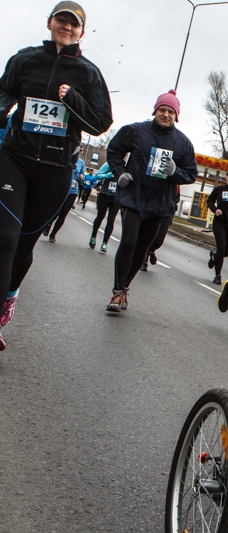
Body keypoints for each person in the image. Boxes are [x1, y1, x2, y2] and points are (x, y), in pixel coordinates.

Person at [0, 2, 113, 351]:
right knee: (4, 237)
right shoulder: (25, 59)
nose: (66, 27)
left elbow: (100, 122)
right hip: (15, 158)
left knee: (24, 243)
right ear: (50, 23)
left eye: (73, 24)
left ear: (82, 31)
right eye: (61, 20)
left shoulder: (88, 73)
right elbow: (3, 90)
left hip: (56, 168)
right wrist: (5, 108)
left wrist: (73, 99)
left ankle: (9, 295)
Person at [104, 90, 196, 312]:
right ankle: (117, 292)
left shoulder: (182, 143)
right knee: (128, 242)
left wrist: (175, 172)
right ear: (155, 111)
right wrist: (120, 173)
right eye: (162, 110)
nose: (165, 115)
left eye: (170, 111)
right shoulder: (135, 131)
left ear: (176, 115)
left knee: (142, 248)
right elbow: (114, 151)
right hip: (134, 197)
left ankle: (125, 287)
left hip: (159, 202)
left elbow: (191, 174)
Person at [206, 169, 228, 284]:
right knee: (221, 247)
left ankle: (214, 256)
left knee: (226, 251)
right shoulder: (219, 189)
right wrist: (215, 210)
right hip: (219, 222)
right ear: (226, 177)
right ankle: (218, 276)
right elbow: (210, 201)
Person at [46, 158, 83, 242]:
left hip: (73, 191)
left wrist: (81, 176)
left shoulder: (81, 162)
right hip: (62, 188)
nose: (81, 150)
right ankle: (48, 224)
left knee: (64, 213)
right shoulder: (67, 157)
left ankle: (53, 234)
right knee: (57, 211)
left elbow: (82, 174)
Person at [89, 161, 120, 253]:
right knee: (100, 217)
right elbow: (97, 175)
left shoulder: (127, 166)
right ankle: (93, 236)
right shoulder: (109, 164)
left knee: (111, 220)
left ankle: (104, 243)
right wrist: (108, 175)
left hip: (116, 197)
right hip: (105, 194)